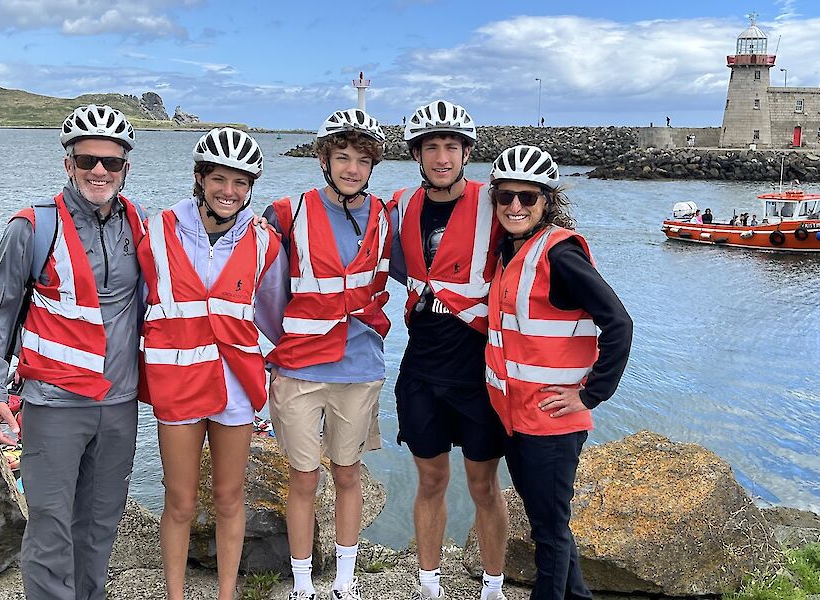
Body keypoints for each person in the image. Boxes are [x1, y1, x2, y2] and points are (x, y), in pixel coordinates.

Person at [0, 104, 145, 600]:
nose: (99, 170)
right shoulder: (31, 228)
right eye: (87, 159)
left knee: (99, 526)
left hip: (119, 403)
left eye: (111, 162)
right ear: (68, 163)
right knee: (51, 530)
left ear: (125, 169)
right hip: (52, 405)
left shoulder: (139, 224)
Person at [138, 128, 287, 600]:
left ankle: (227, 594)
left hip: (235, 386)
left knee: (229, 497)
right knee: (180, 501)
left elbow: (275, 313)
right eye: (219, 179)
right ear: (199, 179)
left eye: (241, 183)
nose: (229, 191)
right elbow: (132, 303)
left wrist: (303, 364)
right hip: (177, 383)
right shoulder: (156, 230)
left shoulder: (265, 243)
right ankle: (175, 595)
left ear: (251, 189)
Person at [484, 145, 633, 599]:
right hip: (514, 417)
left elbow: (619, 322)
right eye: (506, 197)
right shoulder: (510, 252)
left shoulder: (560, 256)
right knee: (549, 524)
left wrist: (591, 395)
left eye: (528, 198)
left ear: (546, 201)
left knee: (549, 534)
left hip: (550, 421)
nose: (515, 206)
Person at [262, 108, 393, 600]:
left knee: (347, 474)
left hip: (359, 366)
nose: (352, 168)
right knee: (302, 476)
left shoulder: (385, 217)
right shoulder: (284, 213)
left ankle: (344, 581)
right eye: (343, 157)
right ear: (324, 159)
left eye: (362, 160)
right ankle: (301, 584)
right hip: (297, 366)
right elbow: (246, 276)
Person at [391, 100, 507, 600]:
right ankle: (429, 584)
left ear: (466, 153)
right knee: (431, 481)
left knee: (483, 486)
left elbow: (539, 254)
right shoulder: (398, 207)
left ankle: (494, 585)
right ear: (417, 154)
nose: (443, 156)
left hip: (478, 370)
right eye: (432, 146)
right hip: (420, 368)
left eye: (452, 146)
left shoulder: (497, 204)